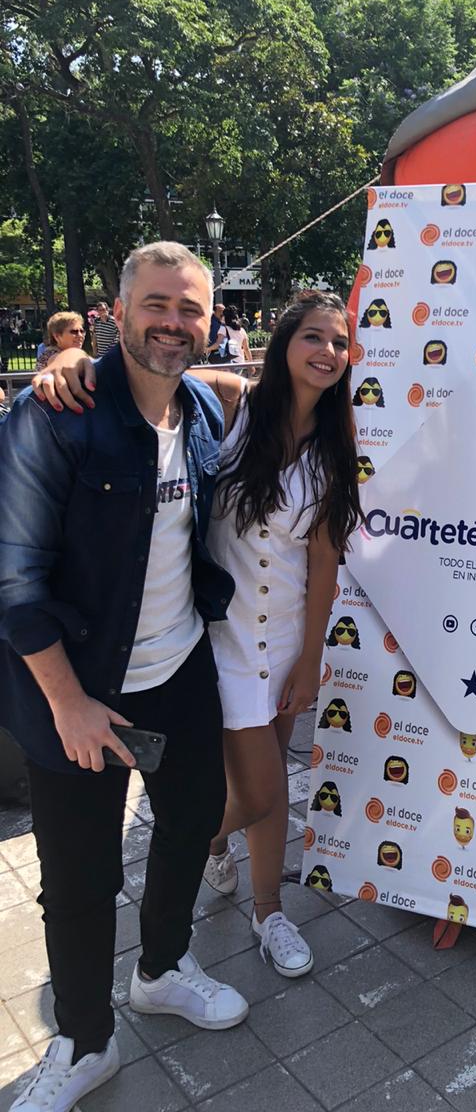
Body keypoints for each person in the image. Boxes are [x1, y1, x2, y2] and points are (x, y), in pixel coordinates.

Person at [0, 243, 248, 1112]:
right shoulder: (54, 417)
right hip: (75, 684)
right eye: (156, 305)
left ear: (210, 319)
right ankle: (84, 1042)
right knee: (77, 877)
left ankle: (162, 968)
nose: (172, 323)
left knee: (186, 828)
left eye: (190, 308)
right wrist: (66, 702)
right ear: (117, 308)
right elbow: (15, 581)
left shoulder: (206, 414)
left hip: (180, 669)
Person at [198, 292, 360, 976]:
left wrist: (311, 659)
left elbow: (324, 565)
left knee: (270, 780)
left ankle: (269, 914)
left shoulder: (333, 449)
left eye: (340, 343)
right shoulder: (231, 404)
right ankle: (194, 841)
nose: (328, 351)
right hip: (222, 636)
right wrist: (76, 367)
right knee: (261, 790)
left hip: (287, 636)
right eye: (314, 337)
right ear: (285, 341)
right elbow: (150, 372)